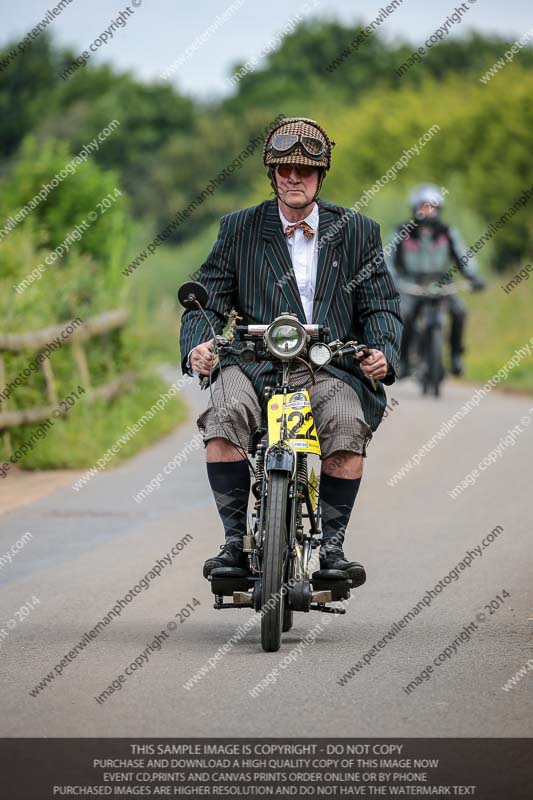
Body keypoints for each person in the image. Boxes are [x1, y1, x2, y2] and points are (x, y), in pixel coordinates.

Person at [180, 117, 402, 585]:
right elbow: (206, 300)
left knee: (346, 423)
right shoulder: (238, 228)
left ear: (321, 176)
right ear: (272, 174)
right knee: (222, 417)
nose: (293, 177)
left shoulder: (359, 231)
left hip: (329, 366)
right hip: (251, 364)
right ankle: (234, 544)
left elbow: (381, 304)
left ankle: (333, 549)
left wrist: (381, 352)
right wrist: (199, 347)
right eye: (284, 169)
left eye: (304, 169)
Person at [388, 184, 485, 377]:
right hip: (410, 285)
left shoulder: (447, 232)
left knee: (459, 311)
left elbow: (463, 256)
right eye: (423, 206)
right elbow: (387, 259)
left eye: (431, 206)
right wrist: (390, 281)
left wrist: (474, 276)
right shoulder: (402, 231)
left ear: (439, 208)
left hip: (441, 284)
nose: (427, 210)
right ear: (415, 207)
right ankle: (404, 360)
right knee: (403, 315)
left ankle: (456, 356)